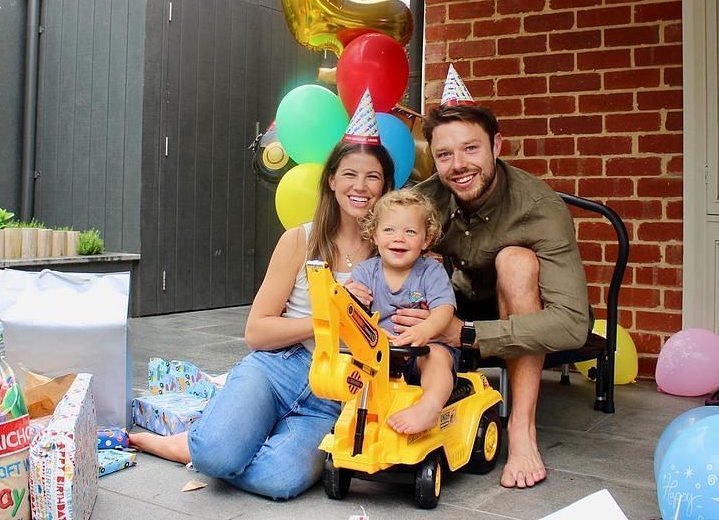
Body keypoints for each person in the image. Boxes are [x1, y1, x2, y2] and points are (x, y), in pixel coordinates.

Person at [130, 118, 395, 499]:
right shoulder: (299, 241)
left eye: (373, 177)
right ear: (331, 180)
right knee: (217, 454)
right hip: (279, 368)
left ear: (385, 186)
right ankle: (201, 445)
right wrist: (328, 318)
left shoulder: (395, 251)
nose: (361, 186)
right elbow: (257, 332)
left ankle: (213, 445)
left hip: (336, 394)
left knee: (279, 479)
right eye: (349, 174)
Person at [403, 65, 590, 490]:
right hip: (454, 302)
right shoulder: (425, 199)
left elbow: (572, 323)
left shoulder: (539, 206)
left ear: (496, 145)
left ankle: (522, 431)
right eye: (445, 154)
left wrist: (465, 334)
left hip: (521, 305)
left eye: (471, 149)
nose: (458, 165)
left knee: (516, 261)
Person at [345, 188, 458, 435]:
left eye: (410, 231)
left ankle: (429, 407)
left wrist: (426, 329)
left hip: (421, 352)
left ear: (426, 240)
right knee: (348, 362)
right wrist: (350, 299)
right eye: (389, 230)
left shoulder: (431, 272)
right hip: (378, 355)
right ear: (374, 235)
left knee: (437, 357)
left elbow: (444, 309)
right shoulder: (366, 272)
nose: (399, 238)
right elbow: (350, 313)